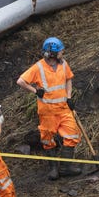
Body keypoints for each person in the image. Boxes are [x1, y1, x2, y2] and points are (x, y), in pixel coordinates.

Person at [17, 37, 82, 180]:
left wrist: (69, 97)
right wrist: (35, 91)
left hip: (64, 109)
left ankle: (65, 167)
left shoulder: (63, 64)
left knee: (72, 135)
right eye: (60, 51)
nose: (62, 53)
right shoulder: (38, 67)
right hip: (47, 112)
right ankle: (53, 169)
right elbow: (21, 81)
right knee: (47, 139)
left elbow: (68, 79)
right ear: (52, 53)